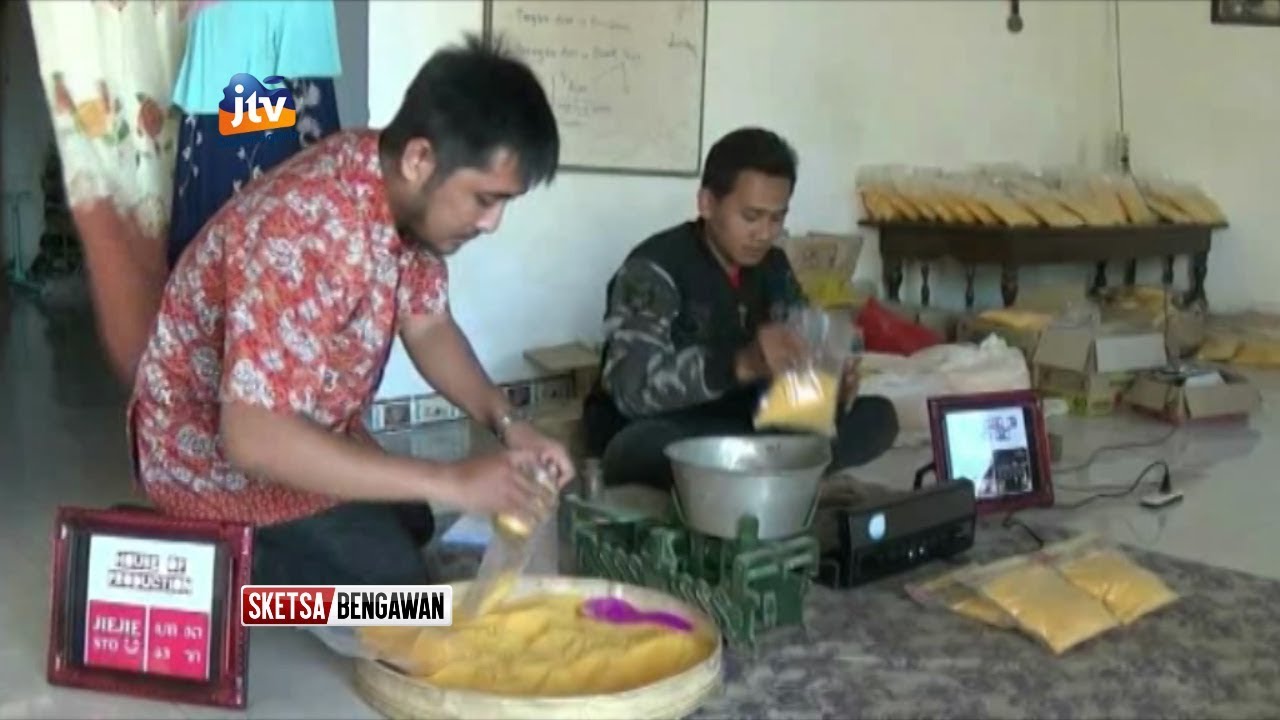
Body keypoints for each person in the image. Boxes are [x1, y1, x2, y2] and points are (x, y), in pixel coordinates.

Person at [127, 35, 574, 586]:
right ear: (419, 158)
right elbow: (253, 437)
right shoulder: (303, 224)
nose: (491, 224)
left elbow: (429, 323)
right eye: (486, 199)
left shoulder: (400, 195)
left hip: (309, 427)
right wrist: (453, 481)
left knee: (410, 523)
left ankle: (295, 559)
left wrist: (510, 426)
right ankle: (225, 580)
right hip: (216, 463)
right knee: (402, 600)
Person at [582, 127, 899, 490]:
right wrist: (740, 364)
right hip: (670, 426)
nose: (764, 233)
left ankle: (758, 471)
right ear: (706, 203)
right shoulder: (654, 269)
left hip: (748, 421)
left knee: (877, 416)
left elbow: (798, 377)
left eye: (776, 218)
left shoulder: (775, 267)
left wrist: (830, 387)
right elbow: (630, 391)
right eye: (751, 216)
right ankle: (776, 470)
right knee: (644, 448)